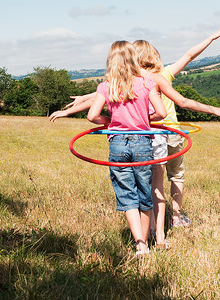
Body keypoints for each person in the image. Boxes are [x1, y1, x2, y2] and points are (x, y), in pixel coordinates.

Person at [49, 27, 220, 248]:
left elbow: (103, 94)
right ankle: (160, 236)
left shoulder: (124, 80)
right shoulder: (155, 78)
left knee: (137, 188)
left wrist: (76, 109)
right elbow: (186, 73)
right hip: (156, 135)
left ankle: (144, 239)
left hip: (133, 138)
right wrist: (214, 109)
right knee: (157, 186)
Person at [86, 41, 166, 257]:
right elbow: (162, 113)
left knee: (126, 193)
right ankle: (146, 241)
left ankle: (140, 245)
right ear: (133, 59)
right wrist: (144, 120)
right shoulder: (146, 84)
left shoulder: (106, 86)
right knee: (144, 191)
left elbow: (92, 116)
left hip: (118, 144)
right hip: (142, 142)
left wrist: (110, 121)